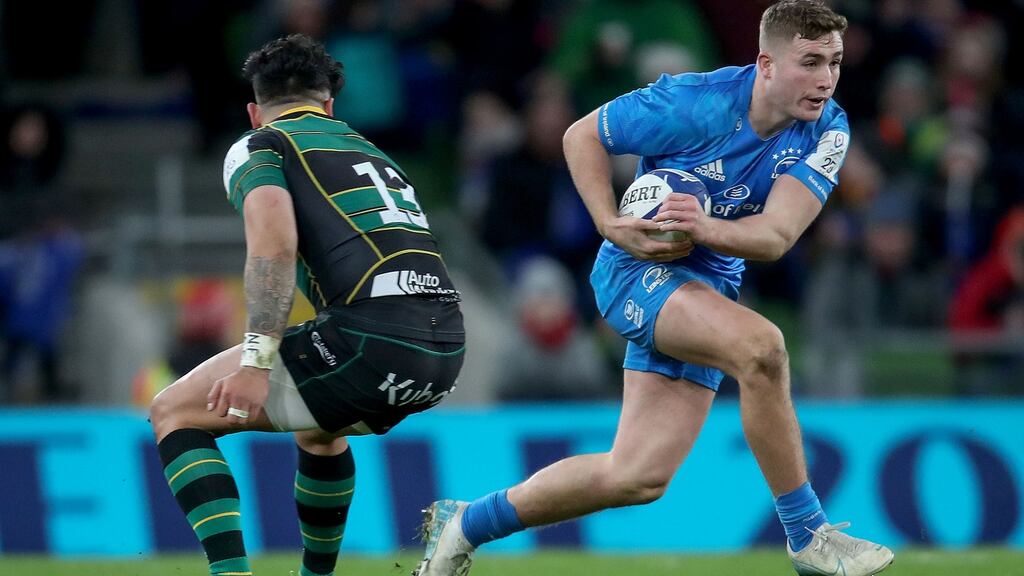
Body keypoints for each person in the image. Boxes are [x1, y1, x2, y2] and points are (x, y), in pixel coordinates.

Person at [414, 2, 893, 576]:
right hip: (636, 269)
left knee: (636, 476)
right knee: (763, 350)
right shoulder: (693, 102)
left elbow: (775, 236)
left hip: (707, 287)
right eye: (810, 62)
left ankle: (466, 524)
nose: (825, 78)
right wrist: (609, 223)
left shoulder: (828, 128)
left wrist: (701, 226)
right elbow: (581, 135)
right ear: (766, 64)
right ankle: (809, 535)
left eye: (834, 62)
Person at [149, 34, 465, 576]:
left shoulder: (262, 145)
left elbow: (273, 246)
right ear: (330, 105)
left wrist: (256, 362)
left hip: (373, 339)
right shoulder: (373, 152)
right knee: (319, 432)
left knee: (174, 411)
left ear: (255, 111)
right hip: (445, 351)